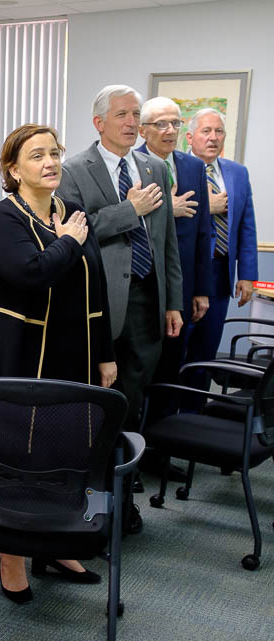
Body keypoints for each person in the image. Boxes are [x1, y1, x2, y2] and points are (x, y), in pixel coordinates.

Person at [0, 123, 116, 603]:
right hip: (13, 354)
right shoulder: (0, 219)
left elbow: (95, 285)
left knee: (64, 452)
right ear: (13, 169)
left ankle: (53, 546)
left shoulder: (72, 213)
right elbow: (32, 275)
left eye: (55, 153)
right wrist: (69, 242)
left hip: (70, 353)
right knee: (16, 456)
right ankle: (10, 556)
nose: (51, 162)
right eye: (37, 156)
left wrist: (106, 355)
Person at [57, 85, 182, 430]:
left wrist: (173, 302)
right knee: (97, 384)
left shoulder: (155, 167)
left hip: (147, 296)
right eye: (122, 114)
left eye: (136, 115)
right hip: (101, 298)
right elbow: (75, 232)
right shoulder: (73, 170)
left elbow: (167, 240)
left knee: (136, 385)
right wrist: (130, 210)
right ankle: (93, 461)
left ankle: (123, 461)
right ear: (99, 122)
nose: (131, 123)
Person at [135, 97, 213, 416]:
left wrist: (201, 289)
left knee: (172, 364)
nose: (171, 130)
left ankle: (162, 451)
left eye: (176, 123)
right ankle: (131, 446)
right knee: (138, 367)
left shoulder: (193, 166)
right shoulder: (130, 163)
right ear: (143, 130)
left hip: (182, 283)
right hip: (143, 283)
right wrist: (169, 208)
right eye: (162, 124)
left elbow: (203, 231)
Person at [183, 108, 258, 375]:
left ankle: (196, 412)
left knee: (206, 351)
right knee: (178, 350)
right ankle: (166, 414)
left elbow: (247, 227)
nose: (213, 138)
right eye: (206, 131)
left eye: (219, 131)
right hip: (186, 272)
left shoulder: (237, 173)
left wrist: (248, 275)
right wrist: (207, 206)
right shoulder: (175, 169)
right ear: (190, 137)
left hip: (221, 273)